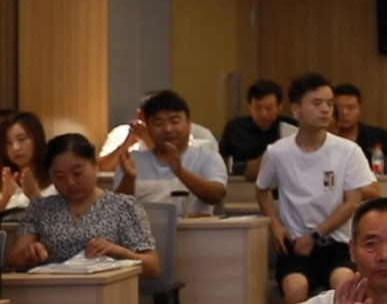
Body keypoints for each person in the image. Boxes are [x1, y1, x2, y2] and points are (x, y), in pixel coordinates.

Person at [258, 74, 381, 303]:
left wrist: (315, 235)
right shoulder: (278, 152)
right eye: (317, 103)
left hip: (337, 245)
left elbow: (352, 202)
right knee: (295, 288)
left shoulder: (348, 150)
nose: (326, 110)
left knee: (344, 285)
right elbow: (261, 189)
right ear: (296, 109)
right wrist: (275, 225)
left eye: (329, 103)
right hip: (295, 246)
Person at [5, 134, 160, 276]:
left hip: (107, 290)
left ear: (95, 166)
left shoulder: (124, 206)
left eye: (78, 173)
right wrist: (29, 252)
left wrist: (118, 252)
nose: (70, 182)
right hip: (51, 288)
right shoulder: (40, 208)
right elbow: (13, 260)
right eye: (59, 176)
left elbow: (152, 267)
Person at [111, 90, 228, 215]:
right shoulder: (132, 161)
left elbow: (216, 196)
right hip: (145, 227)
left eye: (175, 121)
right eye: (158, 123)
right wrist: (129, 178)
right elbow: (119, 208)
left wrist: (180, 171)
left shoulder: (208, 158)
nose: (168, 129)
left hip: (196, 226)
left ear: (189, 123)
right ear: (148, 127)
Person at [330, 83, 387, 183]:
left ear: (360, 109)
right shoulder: (326, 138)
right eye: (338, 108)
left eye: (350, 108)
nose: (344, 113)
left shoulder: (376, 134)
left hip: (375, 189)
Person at [219, 80, 295, 181]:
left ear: (279, 106)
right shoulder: (235, 127)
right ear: (249, 106)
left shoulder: (291, 127)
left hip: (282, 181)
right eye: (258, 108)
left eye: (269, 108)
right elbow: (222, 160)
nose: (264, 114)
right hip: (242, 182)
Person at [0, 110, 51, 211]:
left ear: (37, 139)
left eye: (22, 139)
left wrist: (34, 195)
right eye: (8, 142)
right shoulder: (5, 181)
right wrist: (5, 197)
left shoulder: (56, 180)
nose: (15, 148)